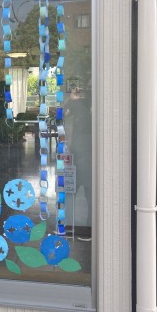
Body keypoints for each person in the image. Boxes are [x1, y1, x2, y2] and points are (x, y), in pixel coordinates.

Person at [64, 85, 92, 239]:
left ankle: (87, 228)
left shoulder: (87, 113)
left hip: (86, 160)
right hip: (77, 158)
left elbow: (77, 110)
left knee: (87, 194)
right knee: (72, 192)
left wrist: (72, 100)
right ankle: (71, 226)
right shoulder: (81, 112)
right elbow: (61, 115)